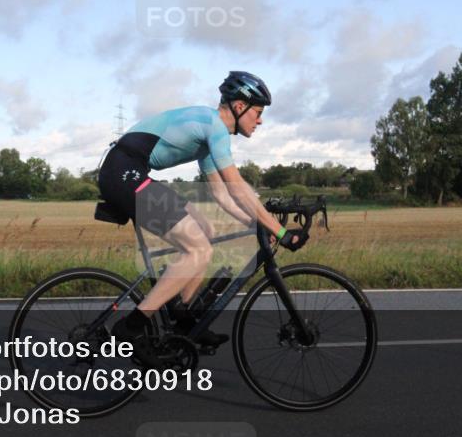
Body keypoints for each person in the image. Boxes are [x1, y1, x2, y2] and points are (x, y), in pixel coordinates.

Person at [97, 71, 307, 363]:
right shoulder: (215, 128)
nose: (260, 121)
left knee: (204, 230)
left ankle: (183, 318)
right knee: (198, 249)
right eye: (257, 113)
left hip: (128, 172)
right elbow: (238, 188)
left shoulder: (210, 137)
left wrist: (256, 224)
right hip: (123, 174)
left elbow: (223, 195)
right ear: (239, 106)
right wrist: (281, 232)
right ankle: (131, 327)